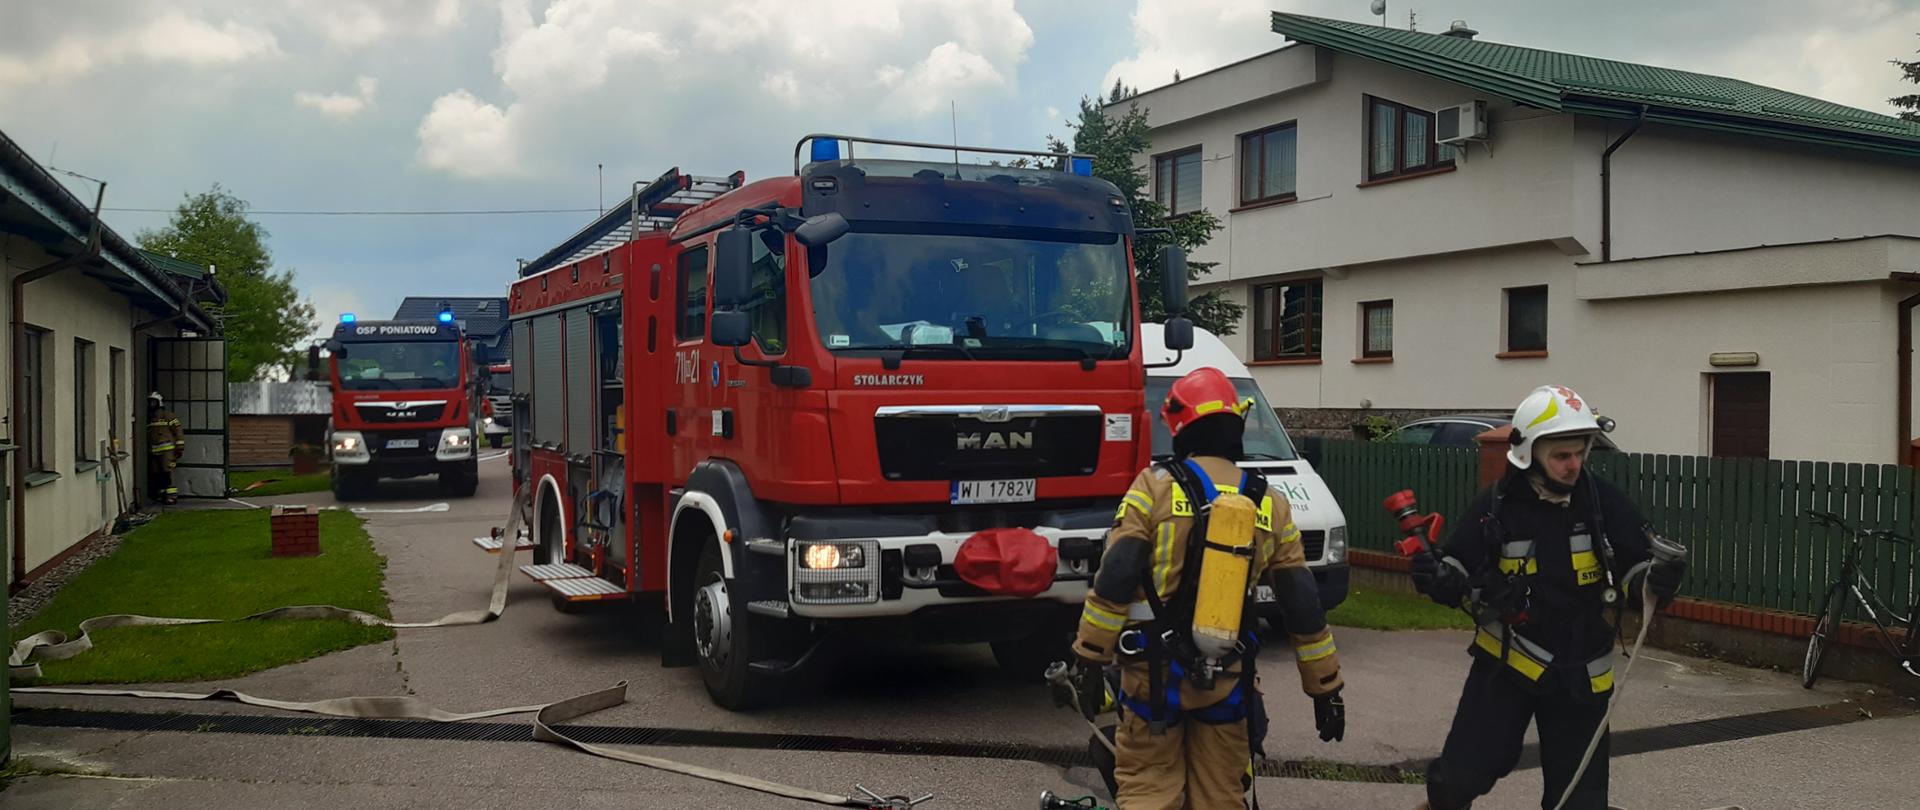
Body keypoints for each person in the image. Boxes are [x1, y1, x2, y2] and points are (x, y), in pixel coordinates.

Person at [1071, 366, 1346, 810]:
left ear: (1179, 425)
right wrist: (1325, 686)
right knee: (1221, 796)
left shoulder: (1153, 489)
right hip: (1228, 680)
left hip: (1153, 680)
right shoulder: (1269, 502)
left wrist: (1088, 654)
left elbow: (1117, 577)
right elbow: (1301, 603)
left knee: (1147, 791)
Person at [1410, 385, 1687, 810]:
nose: (1574, 465)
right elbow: (1459, 566)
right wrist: (1439, 577)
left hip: (1581, 674)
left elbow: (1636, 575)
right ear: (1530, 453)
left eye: (1580, 452)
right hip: (1507, 667)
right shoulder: (1497, 506)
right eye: (1562, 455)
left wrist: (1657, 580)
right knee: (1458, 782)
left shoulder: (1603, 503)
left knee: (1582, 800)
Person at [146, 392, 185, 504]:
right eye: (149, 402)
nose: (151, 405)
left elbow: (178, 432)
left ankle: (171, 495)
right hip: (154, 451)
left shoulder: (168, 416)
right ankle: (161, 493)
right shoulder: (148, 418)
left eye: (154, 402)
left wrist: (179, 447)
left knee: (168, 472)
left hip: (168, 451)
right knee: (157, 473)